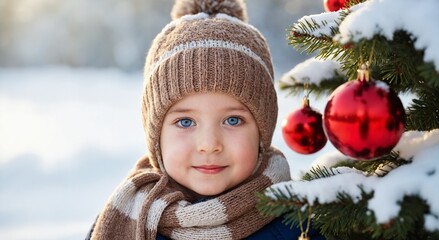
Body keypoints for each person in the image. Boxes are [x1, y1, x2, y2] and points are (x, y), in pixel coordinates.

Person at [87, 0, 324, 239]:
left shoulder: (299, 225)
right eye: (186, 122)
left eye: (232, 120)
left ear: (263, 133)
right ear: (156, 138)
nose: (209, 144)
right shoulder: (130, 217)